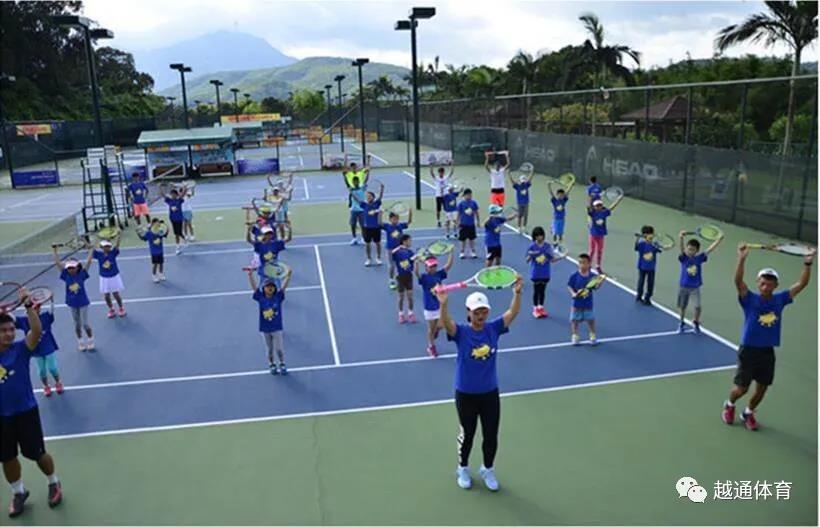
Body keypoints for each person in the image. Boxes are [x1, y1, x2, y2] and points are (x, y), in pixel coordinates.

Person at [437, 275, 523, 491]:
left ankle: (488, 469)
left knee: (491, 435)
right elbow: (446, 323)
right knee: (467, 434)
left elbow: (512, 313)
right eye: (477, 312)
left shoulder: (493, 329)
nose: (481, 315)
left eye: (484, 311)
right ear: (469, 313)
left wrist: (517, 293)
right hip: (465, 393)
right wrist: (443, 304)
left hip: (490, 393)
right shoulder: (462, 333)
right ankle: (463, 468)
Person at [722, 244, 815, 430]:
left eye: (770, 283)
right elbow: (738, 281)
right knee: (741, 389)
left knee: (762, 387)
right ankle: (729, 405)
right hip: (748, 350)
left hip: (767, 352)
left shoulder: (780, 299)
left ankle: (748, 412)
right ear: (758, 283)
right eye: (763, 283)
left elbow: (802, 284)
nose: (766, 286)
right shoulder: (749, 299)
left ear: (776, 286)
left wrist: (807, 264)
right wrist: (741, 258)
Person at [1, 290, 63, 518]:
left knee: (38, 454)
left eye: (11, 330)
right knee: (7, 457)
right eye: (3, 331)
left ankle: (53, 482)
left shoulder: (21, 350)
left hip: (26, 412)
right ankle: (18, 492)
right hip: (2, 417)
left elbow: (36, 331)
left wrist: (28, 305)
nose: (9, 333)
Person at [677, 230, 724, 334]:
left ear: (697, 251)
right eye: (688, 249)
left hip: (695, 288)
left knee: (697, 307)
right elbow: (681, 248)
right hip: (683, 286)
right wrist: (681, 238)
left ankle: (696, 322)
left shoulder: (699, 258)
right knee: (682, 307)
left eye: (692, 250)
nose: (690, 251)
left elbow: (710, 249)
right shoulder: (684, 258)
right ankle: (681, 322)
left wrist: (719, 239)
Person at [247, 267, 292, 375]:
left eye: (272, 286)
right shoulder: (260, 297)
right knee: (269, 349)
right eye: (268, 287)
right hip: (265, 328)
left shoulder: (278, 297)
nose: (270, 288)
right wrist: (250, 275)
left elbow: (284, 287)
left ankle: (282, 363)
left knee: (279, 349)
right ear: (264, 288)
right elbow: (254, 287)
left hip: (276, 328)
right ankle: (271, 364)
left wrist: (288, 276)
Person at [13, 303, 62, 397]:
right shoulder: (25, 321)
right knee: (41, 371)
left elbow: (51, 310)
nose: (37, 309)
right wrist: (5, 311)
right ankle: (46, 386)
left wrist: (51, 300)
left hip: (48, 347)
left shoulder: (45, 317)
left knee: (53, 368)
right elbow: (13, 319)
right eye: (35, 308)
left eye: (38, 307)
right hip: (36, 350)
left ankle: (58, 382)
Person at [52, 248, 94, 351]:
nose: (71, 269)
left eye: (73, 267)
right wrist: (55, 251)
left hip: (83, 302)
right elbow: (57, 263)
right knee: (77, 325)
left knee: (85, 324)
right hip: (72, 303)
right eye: (69, 268)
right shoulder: (66, 275)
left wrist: (91, 250)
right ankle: (80, 342)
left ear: (77, 267)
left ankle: (90, 339)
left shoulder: (82, 274)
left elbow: (89, 262)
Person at [416, 251, 455, 357]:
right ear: (426, 268)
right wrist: (416, 263)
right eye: (431, 266)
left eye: (434, 266)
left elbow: (448, 266)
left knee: (441, 325)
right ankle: (431, 347)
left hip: (439, 305)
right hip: (429, 307)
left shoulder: (439, 274)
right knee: (431, 329)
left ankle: (436, 330)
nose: (433, 268)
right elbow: (416, 273)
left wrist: (451, 253)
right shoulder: (424, 277)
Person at [526, 226, 565, 319]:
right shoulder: (532, 247)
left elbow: (552, 259)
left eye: (541, 235)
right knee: (536, 291)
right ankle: (535, 309)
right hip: (536, 273)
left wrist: (562, 257)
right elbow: (527, 260)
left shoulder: (547, 246)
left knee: (542, 291)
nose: (539, 237)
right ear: (534, 237)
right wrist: (532, 255)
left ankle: (541, 307)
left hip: (545, 273)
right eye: (537, 236)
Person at [567, 253, 604, 345]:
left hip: (588, 303)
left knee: (590, 319)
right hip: (577, 303)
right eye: (580, 263)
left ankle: (592, 335)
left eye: (584, 263)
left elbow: (595, 288)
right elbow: (569, 286)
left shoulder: (592, 276)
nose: (582, 265)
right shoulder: (574, 276)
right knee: (574, 320)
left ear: (589, 264)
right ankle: (575, 336)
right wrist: (573, 294)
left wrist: (600, 282)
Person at [352, 181, 385, 267]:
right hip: (367, 228)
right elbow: (357, 199)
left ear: (373, 197)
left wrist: (382, 188)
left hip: (376, 227)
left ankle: (378, 258)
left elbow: (380, 197)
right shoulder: (364, 205)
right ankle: (368, 259)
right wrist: (351, 193)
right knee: (367, 244)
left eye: (370, 196)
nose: (368, 197)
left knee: (378, 243)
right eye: (367, 196)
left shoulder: (377, 204)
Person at [92, 236, 126, 319]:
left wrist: (119, 235)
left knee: (116, 294)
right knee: (106, 295)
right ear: (101, 247)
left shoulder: (113, 253)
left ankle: (121, 308)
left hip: (114, 276)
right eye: (104, 246)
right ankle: (111, 309)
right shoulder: (98, 255)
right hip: (104, 277)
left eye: (107, 246)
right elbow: (91, 249)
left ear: (110, 247)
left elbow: (117, 245)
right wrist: (86, 240)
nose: (106, 248)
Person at [587, 196, 623, 273]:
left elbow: (612, 207)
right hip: (593, 235)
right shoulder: (592, 213)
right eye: (597, 206)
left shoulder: (604, 213)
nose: (599, 207)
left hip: (601, 235)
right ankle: (589, 264)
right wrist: (590, 199)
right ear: (594, 207)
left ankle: (598, 266)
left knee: (599, 251)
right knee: (592, 251)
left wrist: (618, 200)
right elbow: (589, 207)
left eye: (600, 205)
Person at [382, 210, 413, 290]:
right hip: (390, 249)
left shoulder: (400, 226)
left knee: (404, 265)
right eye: (394, 219)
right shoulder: (387, 226)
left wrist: (410, 213)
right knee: (392, 266)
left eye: (397, 218)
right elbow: (379, 223)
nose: (396, 220)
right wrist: (380, 213)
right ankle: (391, 280)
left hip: (400, 250)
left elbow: (409, 222)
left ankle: (405, 279)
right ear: (390, 219)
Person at [391, 234, 417, 324]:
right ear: (404, 241)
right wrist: (399, 247)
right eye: (409, 240)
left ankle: (411, 313)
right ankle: (401, 314)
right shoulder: (398, 251)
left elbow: (412, 260)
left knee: (410, 296)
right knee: (401, 297)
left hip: (409, 276)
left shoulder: (410, 252)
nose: (411, 242)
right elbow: (393, 254)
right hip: (400, 277)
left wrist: (417, 259)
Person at [635, 225, 662, 305]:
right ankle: (639, 296)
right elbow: (636, 247)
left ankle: (647, 298)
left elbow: (659, 249)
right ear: (644, 236)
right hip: (642, 267)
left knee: (650, 284)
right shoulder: (641, 244)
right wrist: (637, 238)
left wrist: (660, 246)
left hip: (651, 268)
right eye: (646, 234)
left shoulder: (654, 244)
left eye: (651, 234)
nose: (650, 236)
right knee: (641, 282)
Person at [456, 188, 480, 259]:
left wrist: (478, 221)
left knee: (471, 239)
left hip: (471, 224)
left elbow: (476, 213)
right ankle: (462, 252)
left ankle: (473, 252)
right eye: (468, 195)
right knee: (463, 240)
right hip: (463, 224)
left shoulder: (474, 203)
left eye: (470, 195)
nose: (470, 196)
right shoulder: (461, 203)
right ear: (464, 195)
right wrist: (457, 222)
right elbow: (458, 214)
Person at [162, 187, 186, 254]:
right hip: (172, 219)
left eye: (174, 194)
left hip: (179, 219)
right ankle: (183, 239)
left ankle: (177, 248)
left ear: (176, 195)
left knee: (177, 233)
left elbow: (183, 194)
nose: (172, 195)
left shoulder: (179, 200)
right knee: (178, 233)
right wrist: (160, 187)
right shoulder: (169, 201)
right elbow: (162, 195)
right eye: (171, 194)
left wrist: (185, 187)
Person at [510, 167, 534, 233]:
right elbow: (512, 182)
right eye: (522, 180)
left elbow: (530, 178)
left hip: (526, 203)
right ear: (520, 180)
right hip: (519, 203)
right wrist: (509, 174)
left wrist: (532, 171)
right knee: (520, 215)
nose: (523, 182)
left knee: (526, 215)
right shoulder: (517, 186)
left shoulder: (527, 185)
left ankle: (524, 227)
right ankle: (519, 227)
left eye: (524, 180)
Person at [430, 162, 454, 227]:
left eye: (442, 172)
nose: (441, 173)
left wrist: (452, 165)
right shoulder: (436, 178)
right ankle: (438, 221)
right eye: (440, 172)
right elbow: (432, 173)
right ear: (439, 172)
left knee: (446, 209)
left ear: (443, 172)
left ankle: (447, 220)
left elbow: (451, 172)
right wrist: (431, 166)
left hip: (445, 196)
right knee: (438, 210)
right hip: (438, 196)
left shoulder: (446, 177)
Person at [347, 176, 368, 245]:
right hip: (354, 210)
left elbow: (365, 180)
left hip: (361, 210)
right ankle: (354, 238)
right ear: (353, 182)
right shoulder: (352, 189)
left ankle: (363, 238)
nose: (355, 182)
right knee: (353, 225)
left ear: (358, 182)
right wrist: (350, 204)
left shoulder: (362, 188)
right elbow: (350, 197)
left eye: (357, 181)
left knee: (363, 225)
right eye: (354, 181)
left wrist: (368, 173)